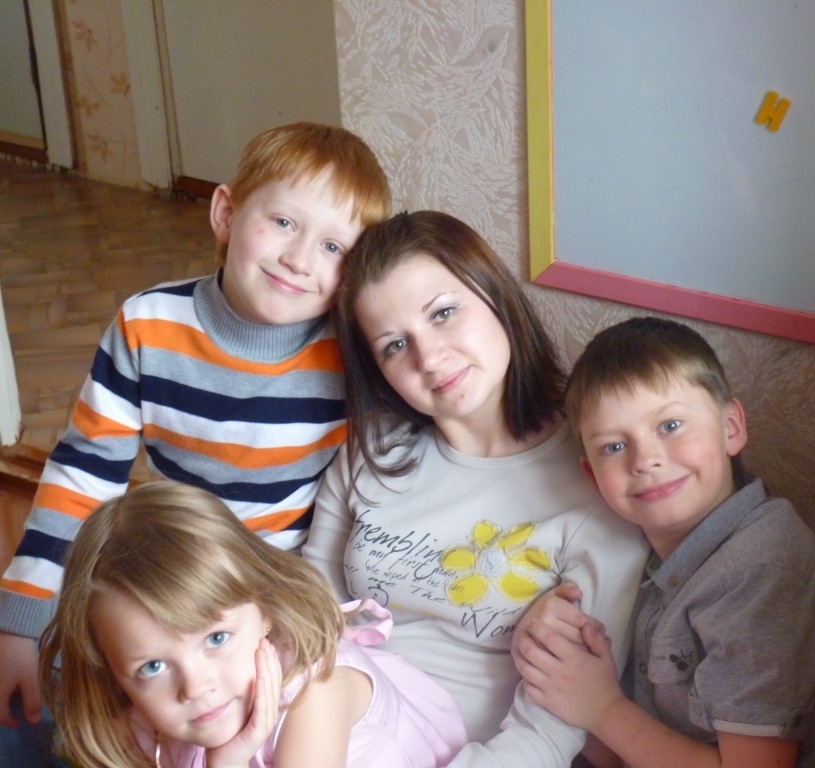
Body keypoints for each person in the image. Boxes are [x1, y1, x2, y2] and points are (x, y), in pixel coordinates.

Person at [0, 122, 391, 764]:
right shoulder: (147, 325)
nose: (300, 259)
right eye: (283, 223)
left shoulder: (353, 358)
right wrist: (23, 614)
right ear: (226, 213)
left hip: (274, 597)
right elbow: (83, 474)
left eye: (332, 246)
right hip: (165, 571)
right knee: (57, 691)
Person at [302, 210, 650, 767]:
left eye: (443, 313)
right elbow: (312, 609)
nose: (430, 358)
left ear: (495, 295)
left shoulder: (598, 481)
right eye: (395, 345)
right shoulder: (375, 449)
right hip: (326, 727)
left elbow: (554, 728)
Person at [513, 316, 815, 768]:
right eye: (613, 447)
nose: (646, 460)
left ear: (731, 427)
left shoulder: (763, 573)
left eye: (670, 425)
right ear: (593, 477)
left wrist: (599, 707)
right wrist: (553, 662)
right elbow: (624, 745)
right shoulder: (643, 552)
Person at [38, 480, 467, 768]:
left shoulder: (316, 694)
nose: (196, 687)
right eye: (153, 666)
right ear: (113, 674)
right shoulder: (149, 718)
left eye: (216, 638)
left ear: (264, 608)